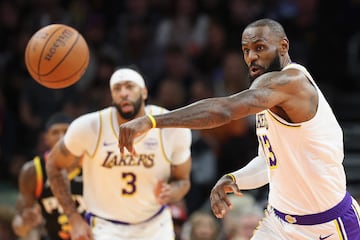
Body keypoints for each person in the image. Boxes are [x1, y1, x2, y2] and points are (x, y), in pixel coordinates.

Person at [118, 18, 360, 239]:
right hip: (277, 224)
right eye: (246, 50)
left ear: (283, 47)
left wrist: (152, 121)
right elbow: (269, 162)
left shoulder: (291, 83)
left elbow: (224, 110)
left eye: (260, 48)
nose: (251, 57)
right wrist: (235, 178)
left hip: (328, 225)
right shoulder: (267, 96)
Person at [45, 66, 192, 240]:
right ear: (111, 96)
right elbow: (53, 165)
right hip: (105, 227)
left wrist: (172, 192)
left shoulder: (171, 128)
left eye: (129, 87)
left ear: (144, 92)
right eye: (117, 89)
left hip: (155, 224)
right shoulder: (88, 127)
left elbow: (183, 181)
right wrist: (73, 218)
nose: (123, 93)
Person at [12, 112, 86, 240]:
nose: (61, 137)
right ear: (45, 138)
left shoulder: (89, 165)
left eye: (66, 131)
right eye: (55, 132)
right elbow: (18, 226)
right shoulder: (33, 171)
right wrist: (25, 223)